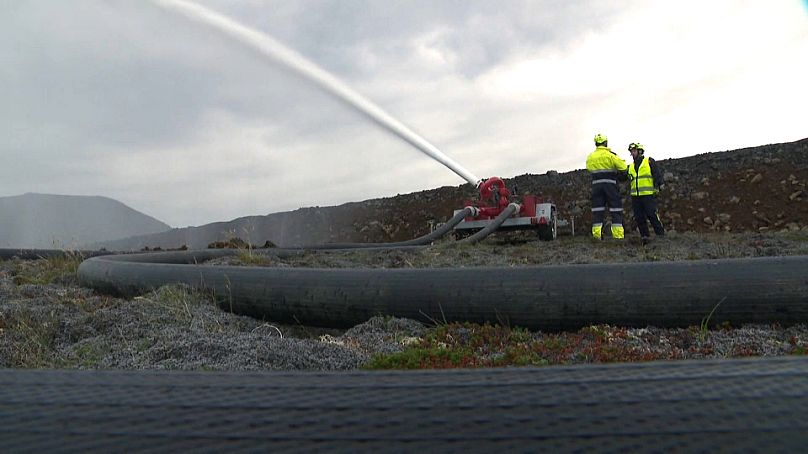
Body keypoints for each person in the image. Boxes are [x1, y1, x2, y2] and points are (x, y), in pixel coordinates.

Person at [586, 133, 628, 240]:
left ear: (596, 143)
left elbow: (589, 168)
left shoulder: (590, 157)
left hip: (596, 186)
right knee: (615, 209)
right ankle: (618, 236)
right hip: (610, 185)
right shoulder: (610, 155)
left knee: (597, 211)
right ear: (605, 143)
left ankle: (597, 236)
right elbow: (623, 167)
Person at [626, 142, 665, 244]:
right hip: (636, 197)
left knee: (652, 215)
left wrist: (660, 184)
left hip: (647, 195)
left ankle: (661, 235)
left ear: (639, 151)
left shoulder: (649, 161)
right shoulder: (630, 166)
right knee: (639, 218)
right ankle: (645, 237)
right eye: (631, 151)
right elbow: (624, 178)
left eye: (634, 151)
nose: (632, 153)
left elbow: (656, 174)